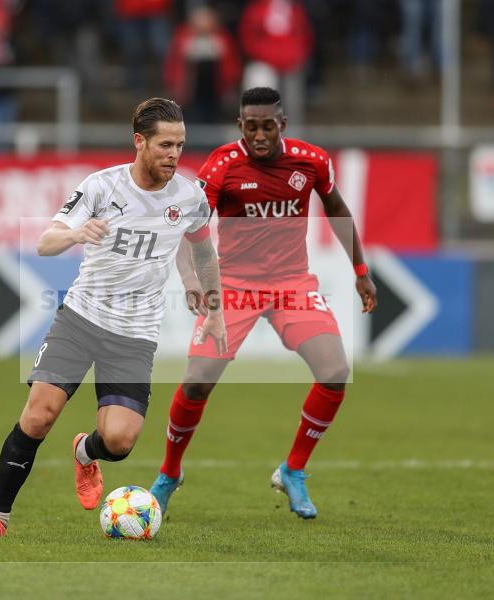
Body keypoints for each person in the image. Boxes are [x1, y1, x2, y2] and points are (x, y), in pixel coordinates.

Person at [0, 98, 227, 539]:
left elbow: (201, 249)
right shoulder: (101, 187)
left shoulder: (190, 197)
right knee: (39, 416)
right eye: (165, 145)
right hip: (81, 321)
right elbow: (46, 242)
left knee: (120, 442)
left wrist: (213, 308)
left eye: (180, 145)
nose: (174, 154)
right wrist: (75, 233)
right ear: (139, 142)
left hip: (135, 335)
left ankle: (85, 453)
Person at [149, 87, 378, 520]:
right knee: (197, 381)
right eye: (250, 126)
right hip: (234, 286)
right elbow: (190, 229)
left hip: (292, 285)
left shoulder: (311, 161)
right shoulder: (222, 166)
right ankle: (169, 473)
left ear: (282, 125)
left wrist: (361, 272)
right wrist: (191, 278)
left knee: (334, 373)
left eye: (267, 125)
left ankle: (293, 469)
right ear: (240, 126)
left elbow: (337, 210)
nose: (259, 134)